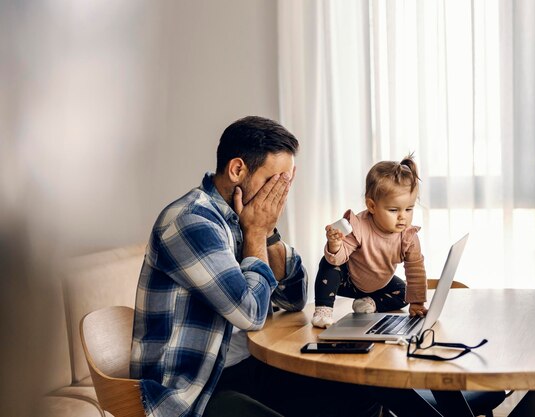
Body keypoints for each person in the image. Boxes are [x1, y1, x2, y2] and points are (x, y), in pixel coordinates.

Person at [129, 116, 382, 417]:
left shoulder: (243, 217)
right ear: (237, 170)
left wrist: (269, 232)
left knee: (359, 394)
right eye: (274, 181)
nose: (280, 193)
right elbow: (251, 314)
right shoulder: (191, 220)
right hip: (188, 395)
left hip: (235, 368)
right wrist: (257, 233)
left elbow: (292, 298)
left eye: (287, 182)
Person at [312, 154, 428, 328]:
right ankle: (323, 311)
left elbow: (415, 269)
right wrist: (335, 246)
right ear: (372, 206)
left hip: (380, 284)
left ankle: (370, 303)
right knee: (329, 265)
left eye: (409, 209)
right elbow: (338, 257)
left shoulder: (408, 237)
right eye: (394, 210)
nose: (402, 217)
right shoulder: (359, 225)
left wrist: (417, 302)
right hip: (349, 280)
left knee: (404, 292)